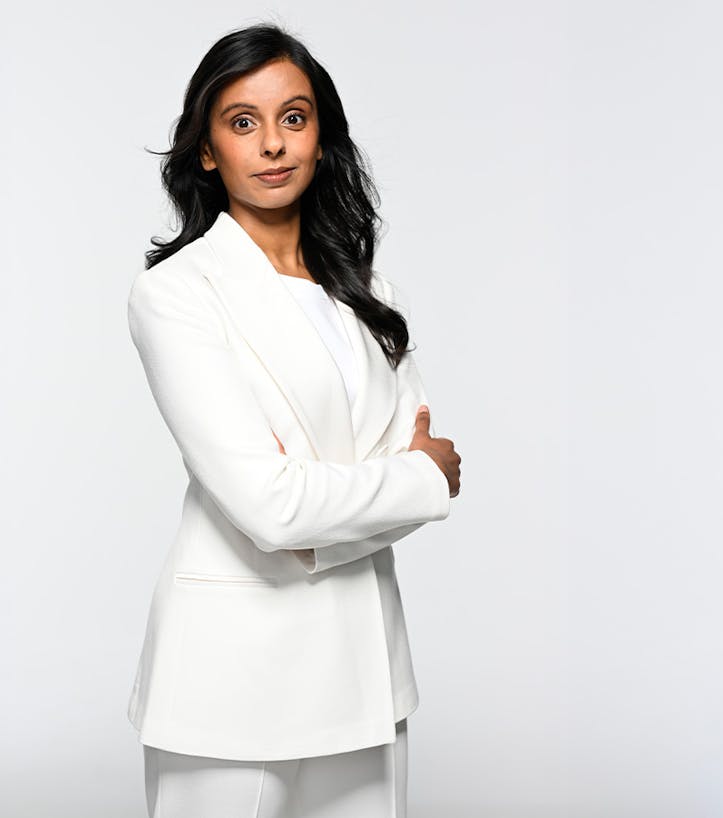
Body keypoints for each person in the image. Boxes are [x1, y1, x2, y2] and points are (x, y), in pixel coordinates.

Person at [126, 22, 463, 818]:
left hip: (366, 668)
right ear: (208, 150)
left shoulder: (363, 290)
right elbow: (271, 507)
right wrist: (415, 479)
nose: (272, 144)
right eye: (243, 122)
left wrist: (352, 489)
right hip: (232, 678)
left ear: (321, 136)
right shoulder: (177, 294)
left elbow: (326, 492)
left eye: (295, 117)